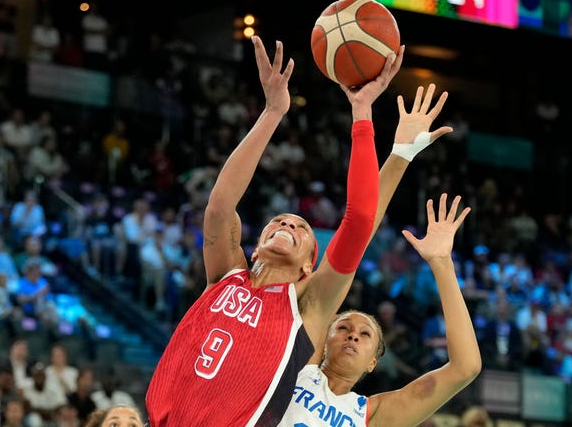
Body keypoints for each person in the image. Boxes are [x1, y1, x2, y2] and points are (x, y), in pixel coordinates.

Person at [145, 35, 402, 426]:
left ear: (308, 268)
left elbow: (361, 219)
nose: (287, 223)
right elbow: (219, 207)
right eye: (278, 222)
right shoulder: (226, 276)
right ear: (254, 247)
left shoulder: (309, 306)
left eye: (300, 227)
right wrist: (272, 112)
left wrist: (362, 113)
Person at [279, 193, 481, 426]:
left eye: (365, 334)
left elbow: (466, 367)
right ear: (322, 342)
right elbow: (328, 286)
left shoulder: (371, 416)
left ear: (372, 363)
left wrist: (442, 263)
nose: (353, 335)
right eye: (343, 328)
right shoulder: (295, 370)